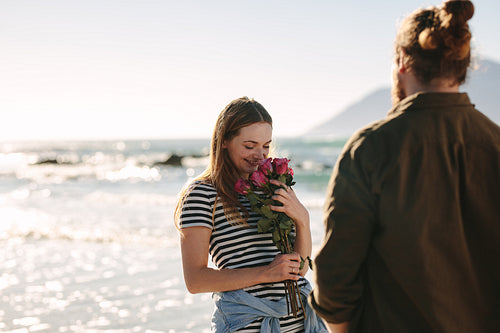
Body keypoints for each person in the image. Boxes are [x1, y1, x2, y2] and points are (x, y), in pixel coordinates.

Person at [309, 1, 500, 332]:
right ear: (463, 65)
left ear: (402, 62)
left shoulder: (370, 148)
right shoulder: (495, 144)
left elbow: (335, 277)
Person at [174, 97, 327, 332]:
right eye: (249, 146)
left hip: (301, 323)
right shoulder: (201, 194)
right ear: (224, 141)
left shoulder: (274, 187)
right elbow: (196, 280)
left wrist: (303, 220)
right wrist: (266, 273)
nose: (260, 155)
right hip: (246, 325)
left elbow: (299, 269)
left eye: (266, 145)